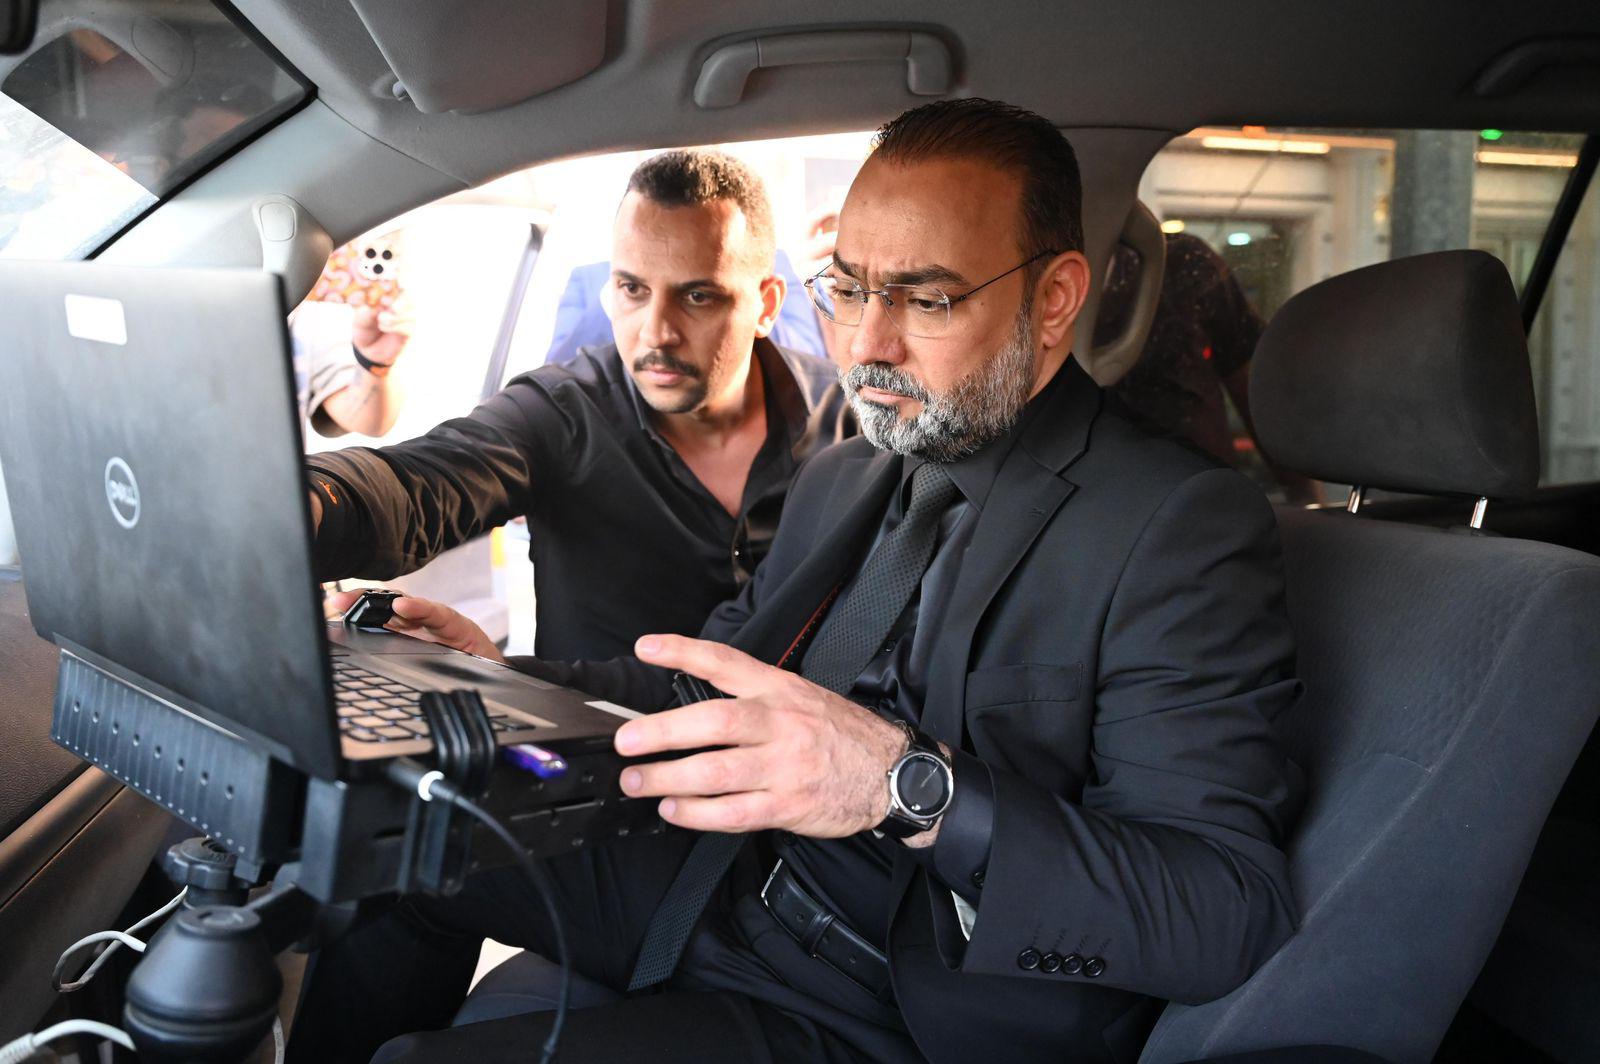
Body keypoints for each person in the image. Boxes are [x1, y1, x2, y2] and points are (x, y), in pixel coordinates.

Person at [295, 100, 1303, 1064]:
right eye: (850, 289)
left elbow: (1220, 910)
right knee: (402, 842)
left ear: (1053, 299)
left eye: (927, 298)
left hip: (897, 1004)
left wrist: (901, 783)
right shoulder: (851, 473)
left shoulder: (1174, 525)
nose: (866, 344)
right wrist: (492, 683)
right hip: (716, 881)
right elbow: (706, 684)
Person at [302, 147, 852, 664]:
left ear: (767, 305)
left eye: (697, 296)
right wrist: (305, 502)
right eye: (633, 290)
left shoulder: (850, 422)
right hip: (597, 733)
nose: (656, 332)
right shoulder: (562, 413)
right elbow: (421, 483)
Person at [1096, 231, 1318, 502]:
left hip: (1204, 499)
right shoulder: (1052, 277)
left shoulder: (1178, 261)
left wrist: (1309, 501)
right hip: (1098, 499)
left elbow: (1258, 395)